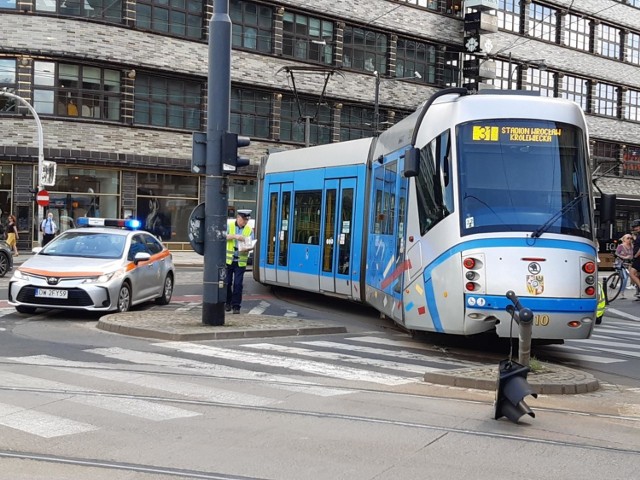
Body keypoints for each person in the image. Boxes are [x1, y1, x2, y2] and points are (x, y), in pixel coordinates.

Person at [225, 209, 254, 314]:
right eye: (243, 219)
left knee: (238, 284)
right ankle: (227, 303)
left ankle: (236, 306)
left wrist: (248, 248)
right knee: (227, 283)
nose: (245, 222)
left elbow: (251, 244)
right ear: (238, 217)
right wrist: (235, 236)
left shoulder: (249, 230)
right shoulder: (230, 226)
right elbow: (223, 237)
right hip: (229, 260)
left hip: (240, 261)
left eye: (246, 220)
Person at [614, 234, 634, 298]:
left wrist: (631, 257)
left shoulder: (632, 246)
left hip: (629, 264)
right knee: (625, 278)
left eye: (631, 238)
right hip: (621, 264)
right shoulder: (621, 246)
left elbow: (633, 254)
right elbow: (616, 254)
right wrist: (624, 257)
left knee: (630, 276)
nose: (629, 240)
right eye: (628, 238)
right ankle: (621, 292)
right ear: (624, 239)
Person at [628, 220, 640, 298]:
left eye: (637, 227)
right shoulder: (638, 235)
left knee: (632, 273)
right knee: (636, 274)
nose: (635, 228)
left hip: (638, 258)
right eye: (634, 227)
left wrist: (635, 256)